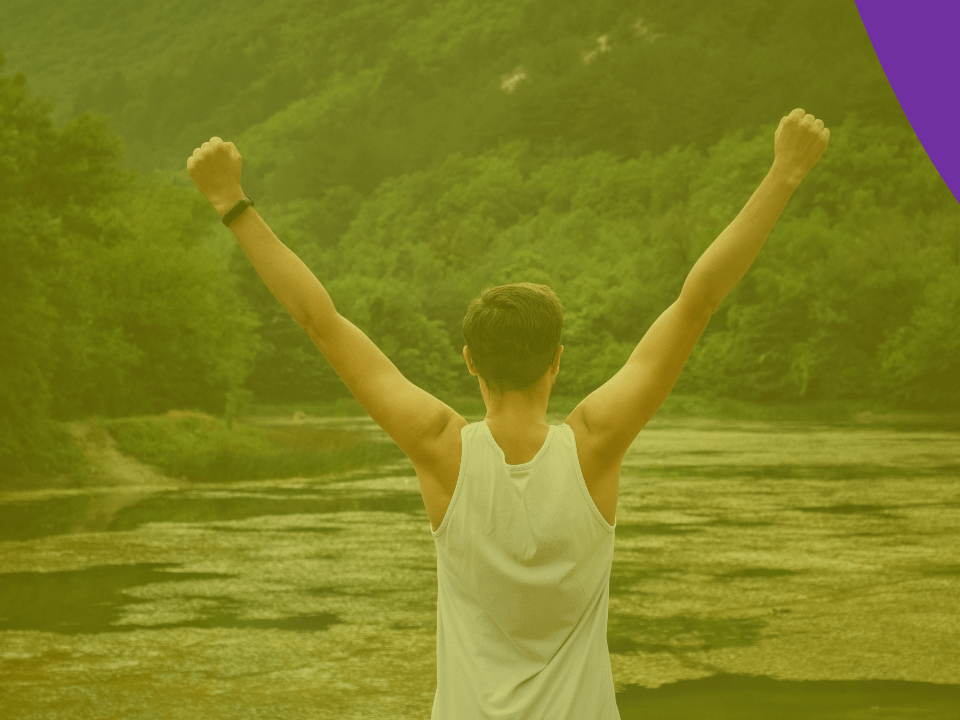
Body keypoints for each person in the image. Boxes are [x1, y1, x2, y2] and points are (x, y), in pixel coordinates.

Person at [186, 107, 829, 719]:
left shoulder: (440, 447)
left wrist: (232, 204)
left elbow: (319, 322)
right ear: (557, 361)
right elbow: (698, 301)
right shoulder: (594, 444)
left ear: (469, 361)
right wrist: (784, 174)